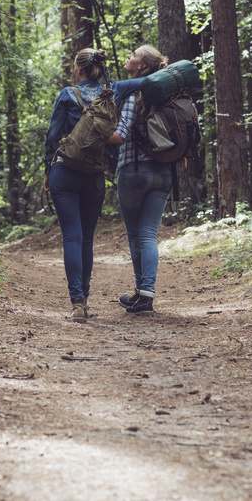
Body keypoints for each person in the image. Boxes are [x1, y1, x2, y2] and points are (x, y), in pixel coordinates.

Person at [43, 47, 141, 323]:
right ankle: (84, 295)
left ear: (78, 68)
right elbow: (148, 80)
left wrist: (48, 170)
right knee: (86, 238)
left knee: (71, 237)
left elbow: (52, 137)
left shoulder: (67, 94)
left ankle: (77, 303)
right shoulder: (115, 90)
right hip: (94, 175)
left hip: (64, 170)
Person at [107, 45, 171, 314]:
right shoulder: (170, 95)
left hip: (133, 170)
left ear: (142, 66)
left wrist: (90, 132)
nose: (128, 57)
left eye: (133, 55)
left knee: (137, 235)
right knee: (150, 234)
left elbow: (120, 133)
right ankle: (145, 293)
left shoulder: (135, 94)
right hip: (164, 173)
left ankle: (142, 293)